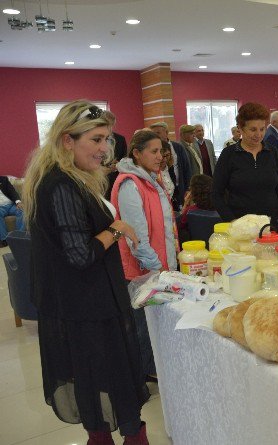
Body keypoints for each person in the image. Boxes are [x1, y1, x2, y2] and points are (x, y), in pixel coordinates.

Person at [21, 100, 150, 444]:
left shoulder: (69, 179)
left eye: (106, 139)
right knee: (110, 380)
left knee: (99, 381)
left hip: (88, 302)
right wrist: (117, 229)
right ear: (67, 141)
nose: (105, 149)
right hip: (87, 307)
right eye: (95, 139)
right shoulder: (61, 185)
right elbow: (80, 255)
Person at [111, 130, 179, 386]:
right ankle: (146, 373)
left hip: (158, 268)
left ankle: (152, 368)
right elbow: (135, 236)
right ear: (136, 153)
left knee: (153, 325)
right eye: (153, 151)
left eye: (161, 151)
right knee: (143, 327)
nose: (159, 156)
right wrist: (158, 267)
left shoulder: (151, 179)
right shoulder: (130, 184)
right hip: (143, 271)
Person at [212, 102, 278, 227]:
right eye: (253, 129)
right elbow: (216, 194)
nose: (259, 134)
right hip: (240, 227)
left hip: (272, 226)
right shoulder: (229, 154)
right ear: (240, 128)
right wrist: (232, 221)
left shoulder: (272, 152)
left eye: (262, 129)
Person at [150, 121, 191, 209]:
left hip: (179, 186)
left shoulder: (178, 147)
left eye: (158, 133)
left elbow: (186, 168)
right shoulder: (152, 150)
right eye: (153, 133)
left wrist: (188, 187)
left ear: (166, 132)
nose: (155, 136)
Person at [0, 175, 24, 247]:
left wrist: (18, 202)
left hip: (11, 205)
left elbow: (12, 191)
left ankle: (19, 237)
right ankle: (4, 239)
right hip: (0, 207)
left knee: (22, 211)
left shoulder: (3, 179)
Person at [159, 140, 178, 210]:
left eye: (167, 155)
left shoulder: (170, 168)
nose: (164, 159)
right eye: (162, 156)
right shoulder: (153, 172)